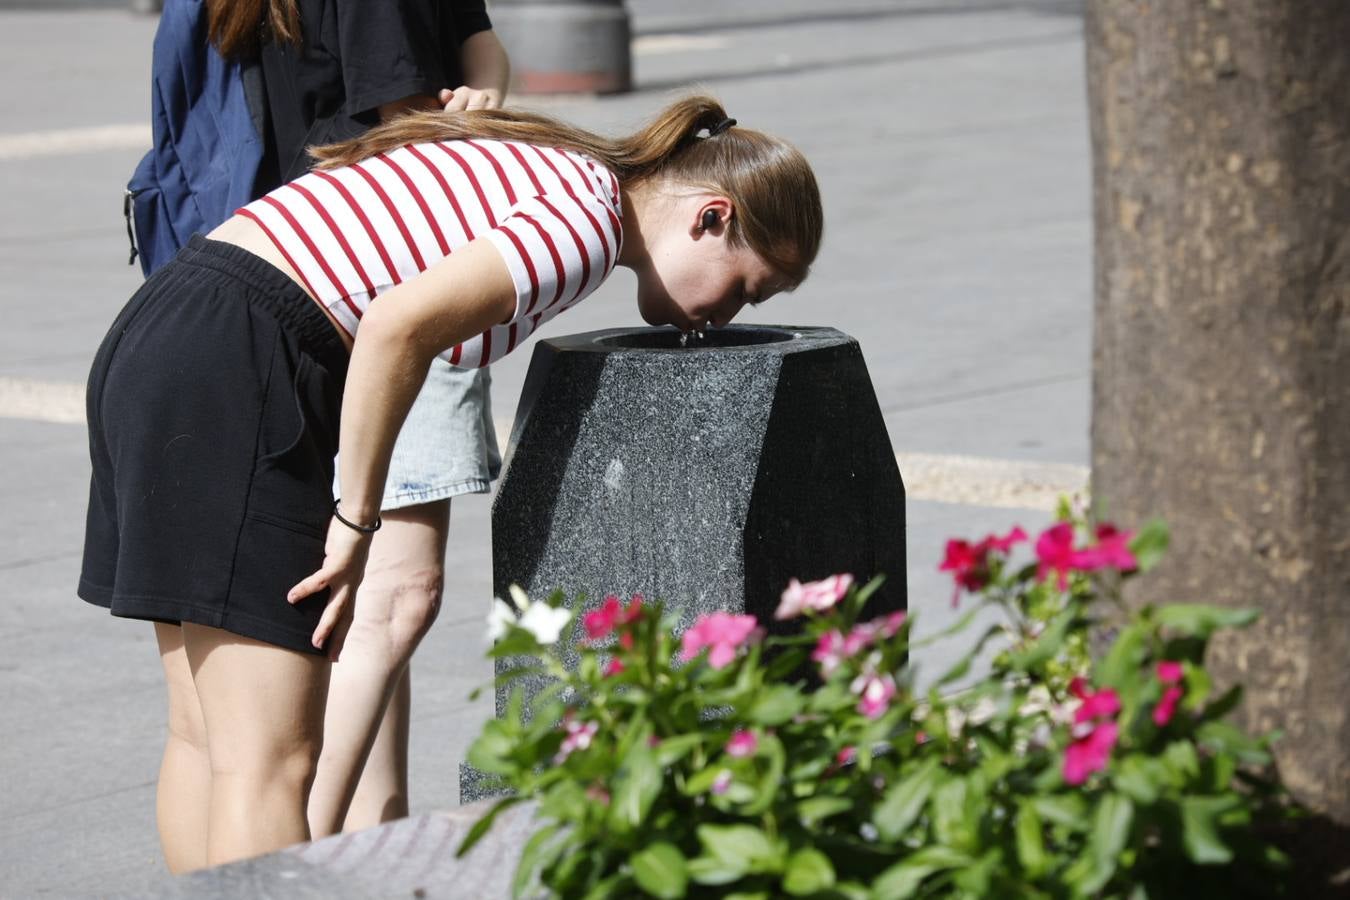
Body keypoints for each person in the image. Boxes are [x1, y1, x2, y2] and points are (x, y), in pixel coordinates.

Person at [80, 95, 823, 869]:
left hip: (171, 331)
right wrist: (357, 514)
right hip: (243, 362)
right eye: (747, 286)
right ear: (711, 217)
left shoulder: (567, 171)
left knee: (207, 740)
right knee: (271, 762)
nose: (727, 316)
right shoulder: (587, 226)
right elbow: (395, 325)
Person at [130, 0, 512, 859]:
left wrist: (482, 97)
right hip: (385, 291)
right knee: (389, 604)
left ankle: (374, 840)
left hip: (255, 286)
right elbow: (414, 140)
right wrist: (483, 120)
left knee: (211, 718)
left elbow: (479, 52)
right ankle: (318, 848)